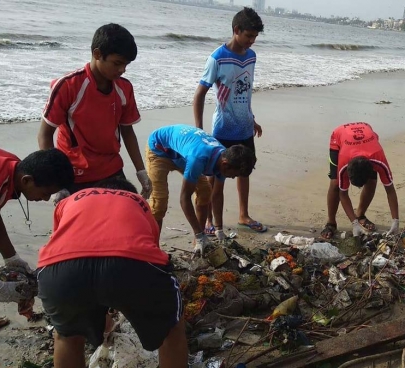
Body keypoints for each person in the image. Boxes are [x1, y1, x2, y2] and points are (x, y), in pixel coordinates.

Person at [36, 178, 187, 368]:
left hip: (60, 269)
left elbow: (59, 239)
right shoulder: (138, 200)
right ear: (128, 191)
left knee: (67, 335)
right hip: (131, 263)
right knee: (170, 330)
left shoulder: (69, 200)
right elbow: (152, 249)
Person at [37, 23, 152, 202]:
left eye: (126, 65)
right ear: (97, 54)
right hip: (73, 173)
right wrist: (56, 182)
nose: (122, 70)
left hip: (111, 170)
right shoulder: (68, 86)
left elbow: (127, 131)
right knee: (75, 227)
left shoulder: (124, 87)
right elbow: (45, 134)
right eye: (117, 63)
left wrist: (141, 171)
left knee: (119, 223)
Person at [0, 144, 73, 331]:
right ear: (27, 180)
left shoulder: (13, 166)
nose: (47, 199)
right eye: (45, 193)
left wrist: (11, 258)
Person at [192, 7, 266, 236]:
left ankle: (243, 214)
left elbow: (245, 90)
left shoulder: (251, 56)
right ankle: (209, 221)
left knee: (244, 172)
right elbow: (199, 95)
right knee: (217, 177)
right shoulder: (217, 58)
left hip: (244, 127)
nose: (252, 41)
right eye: (248, 36)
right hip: (223, 128)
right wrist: (199, 130)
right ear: (236, 30)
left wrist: (252, 119)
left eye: (255, 37)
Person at [146, 125, 257, 250]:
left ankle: (198, 243)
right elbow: (184, 197)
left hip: (182, 153)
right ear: (225, 165)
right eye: (234, 175)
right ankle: (153, 249)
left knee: (205, 191)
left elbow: (218, 194)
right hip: (160, 149)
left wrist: (219, 230)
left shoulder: (224, 158)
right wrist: (200, 235)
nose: (233, 178)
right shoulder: (199, 159)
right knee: (159, 203)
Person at [320, 122, 399, 239]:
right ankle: (331, 223)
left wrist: (395, 221)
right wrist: (354, 224)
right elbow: (343, 193)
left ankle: (360, 214)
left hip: (369, 140)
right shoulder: (343, 163)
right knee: (336, 183)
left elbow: (390, 190)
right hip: (339, 137)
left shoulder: (379, 159)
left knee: (372, 181)